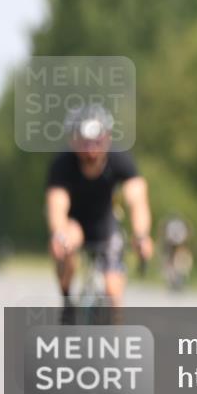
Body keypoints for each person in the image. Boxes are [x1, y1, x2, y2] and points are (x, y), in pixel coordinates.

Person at [46, 104, 153, 322]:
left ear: (108, 137)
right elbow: (57, 205)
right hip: (74, 224)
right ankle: (67, 302)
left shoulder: (120, 159)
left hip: (105, 224)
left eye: (97, 141)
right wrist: (58, 234)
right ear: (73, 140)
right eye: (84, 143)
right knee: (65, 242)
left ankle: (115, 335)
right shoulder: (62, 164)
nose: (91, 150)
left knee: (113, 290)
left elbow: (137, 200)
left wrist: (141, 236)